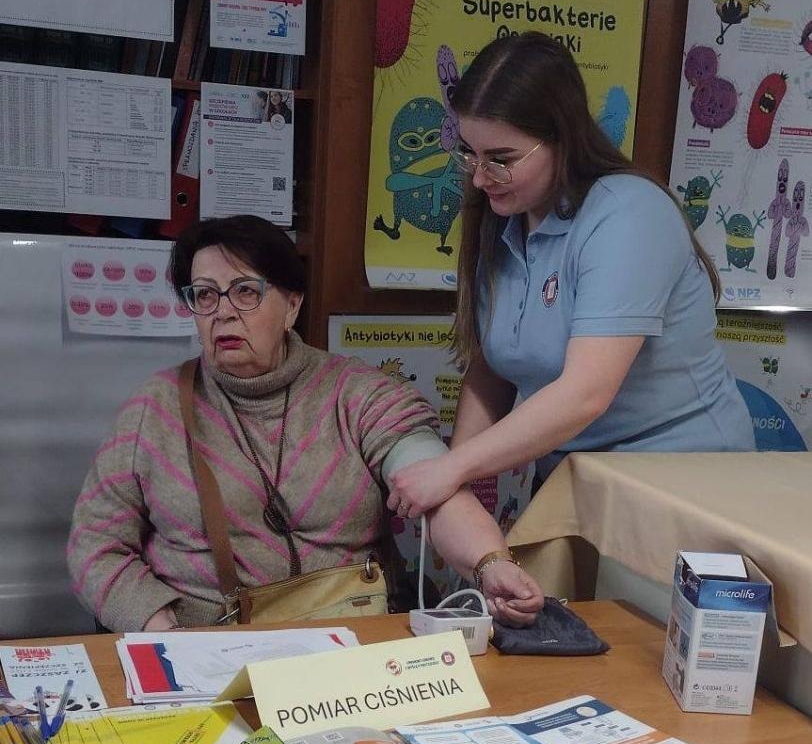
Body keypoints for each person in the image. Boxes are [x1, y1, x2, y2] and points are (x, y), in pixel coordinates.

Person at [68, 215, 542, 633]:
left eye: (246, 291)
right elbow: (96, 544)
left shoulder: (357, 393)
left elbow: (436, 485)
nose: (224, 312)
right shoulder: (156, 409)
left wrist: (491, 563)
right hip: (206, 646)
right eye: (205, 296)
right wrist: (159, 628)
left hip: (347, 644)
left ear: (292, 305)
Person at [386, 32, 755, 520]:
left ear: (562, 137)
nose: (478, 177)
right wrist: (458, 485)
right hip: (574, 478)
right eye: (469, 153)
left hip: (684, 483)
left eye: (500, 159)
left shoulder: (628, 212)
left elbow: (586, 392)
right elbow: (492, 366)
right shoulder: (503, 216)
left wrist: (452, 469)